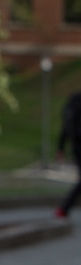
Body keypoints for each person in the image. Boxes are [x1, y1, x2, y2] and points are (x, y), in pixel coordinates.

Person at [55, 89, 81, 218]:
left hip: (76, 146)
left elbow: (66, 127)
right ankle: (64, 208)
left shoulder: (73, 101)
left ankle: (64, 208)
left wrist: (60, 147)